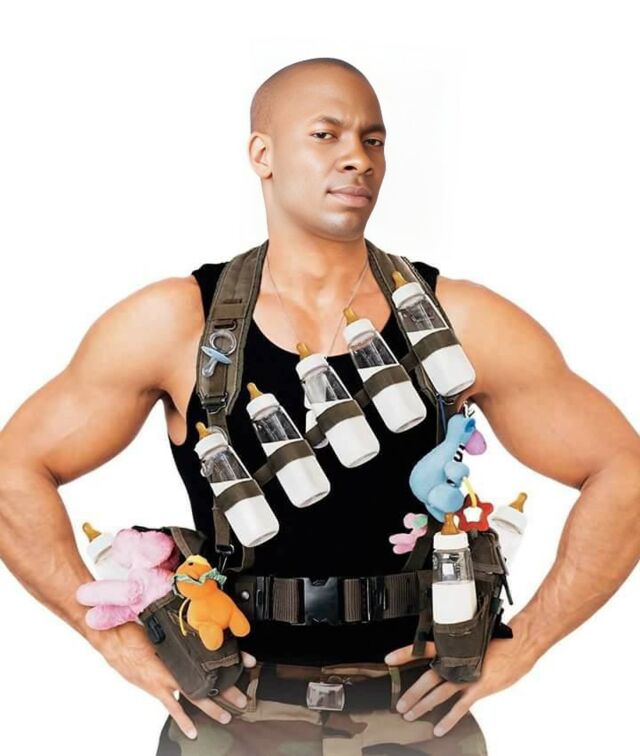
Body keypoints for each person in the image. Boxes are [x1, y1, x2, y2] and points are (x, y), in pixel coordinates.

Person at [0, 57, 638, 755]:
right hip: (230, 716)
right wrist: (117, 641)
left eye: (373, 139)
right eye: (326, 135)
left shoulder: (461, 321)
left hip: (417, 717)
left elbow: (624, 471)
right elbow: (13, 471)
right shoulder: (177, 322)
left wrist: (528, 640)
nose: (357, 158)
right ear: (262, 154)